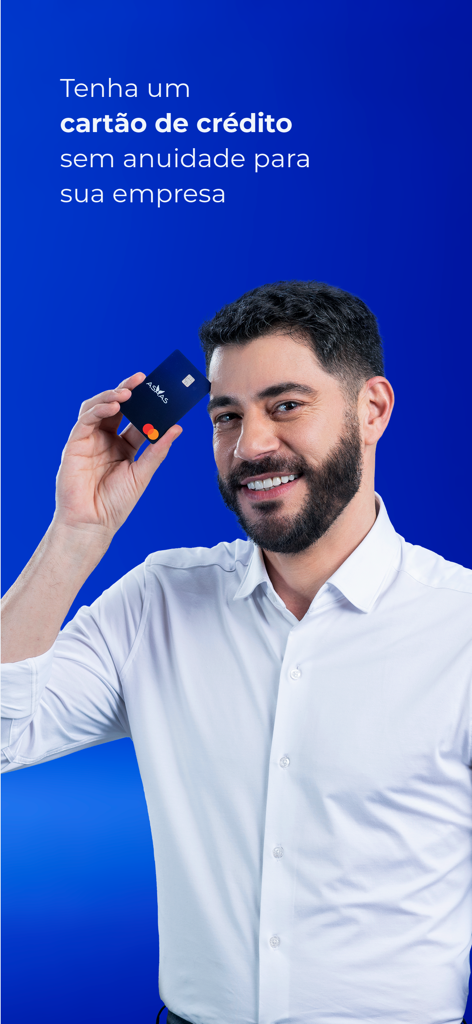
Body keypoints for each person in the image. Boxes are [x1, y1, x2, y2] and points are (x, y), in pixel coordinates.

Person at [2, 280, 471, 1024]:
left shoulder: (460, 629)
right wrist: (76, 533)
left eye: (286, 406)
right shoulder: (159, 602)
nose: (252, 446)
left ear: (371, 409)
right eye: (227, 416)